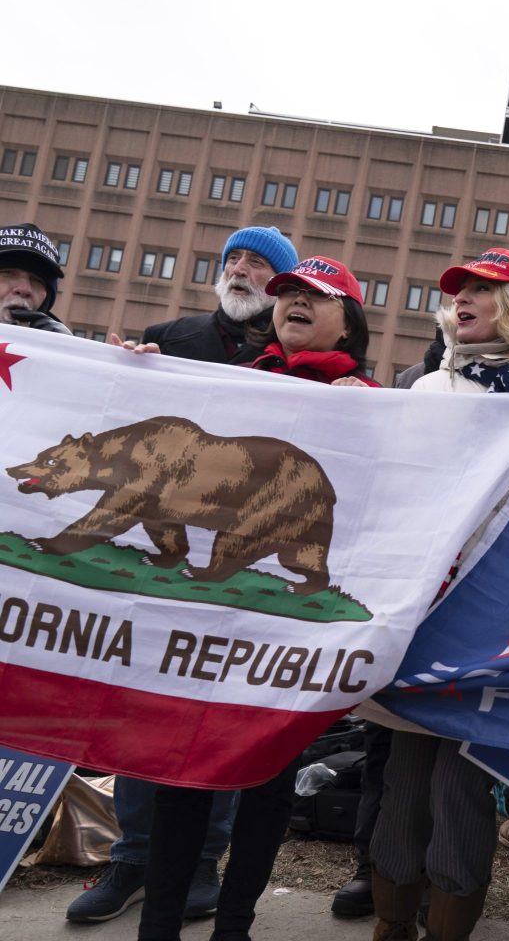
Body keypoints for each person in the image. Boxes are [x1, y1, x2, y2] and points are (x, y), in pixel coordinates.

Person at [130, 255, 377, 941]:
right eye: (287, 293)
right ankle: (159, 921)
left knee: (268, 779)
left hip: (291, 635)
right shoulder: (226, 386)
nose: (294, 301)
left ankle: (234, 922)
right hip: (210, 625)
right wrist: (136, 378)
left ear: (348, 322)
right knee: (184, 770)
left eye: (314, 296)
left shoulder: (381, 404)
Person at [65, 221, 296, 928]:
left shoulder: (294, 359)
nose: (243, 270)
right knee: (144, 707)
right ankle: (134, 858)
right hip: (159, 557)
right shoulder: (166, 337)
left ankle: (198, 863)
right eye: (235, 259)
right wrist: (125, 368)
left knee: (223, 711)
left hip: (236, 561)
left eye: (260, 264)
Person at [373, 248, 509, 941]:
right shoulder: (428, 390)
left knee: (466, 783)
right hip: (428, 612)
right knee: (404, 779)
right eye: (458, 291)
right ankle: (391, 922)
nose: (461, 300)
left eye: (483, 290)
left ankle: (448, 924)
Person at [141, 225, 299, 363]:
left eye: (255, 262)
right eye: (233, 258)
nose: (237, 270)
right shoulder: (166, 337)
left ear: (280, 285)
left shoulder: (296, 353)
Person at [0, 222, 71, 333]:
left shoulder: (56, 347)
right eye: (7, 273)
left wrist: (62, 346)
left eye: (37, 280)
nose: (25, 289)